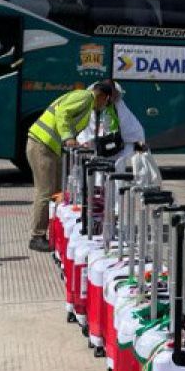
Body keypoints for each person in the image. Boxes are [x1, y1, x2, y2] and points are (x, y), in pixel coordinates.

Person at [25, 79, 118, 252]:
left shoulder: (86, 103)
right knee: (45, 191)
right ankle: (36, 236)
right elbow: (62, 114)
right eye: (107, 102)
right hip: (41, 145)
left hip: (50, 148)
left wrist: (74, 142)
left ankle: (54, 231)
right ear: (103, 96)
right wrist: (68, 137)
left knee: (58, 190)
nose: (105, 106)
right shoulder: (85, 97)